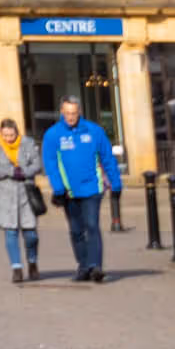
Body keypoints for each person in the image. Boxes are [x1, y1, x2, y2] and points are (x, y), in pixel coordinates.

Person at [35, 94, 123, 284]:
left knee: (92, 226)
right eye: (67, 113)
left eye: (74, 113)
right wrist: (58, 189)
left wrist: (116, 184)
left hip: (93, 188)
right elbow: (50, 165)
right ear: (61, 112)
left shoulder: (94, 131)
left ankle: (96, 266)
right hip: (68, 192)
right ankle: (83, 267)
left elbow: (108, 158)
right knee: (76, 230)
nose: (71, 117)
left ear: (79, 112)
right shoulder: (53, 135)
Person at [0, 117, 46, 284]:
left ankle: (32, 262)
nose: (9, 138)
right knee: (10, 232)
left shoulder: (28, 143)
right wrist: (11, 171)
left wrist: (24, 172)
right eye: (5, 135)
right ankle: (17, 268)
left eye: (11, 135)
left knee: (31, 233)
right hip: (4, 194)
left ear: (17, 132)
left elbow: (37, 164)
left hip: (26, 192)